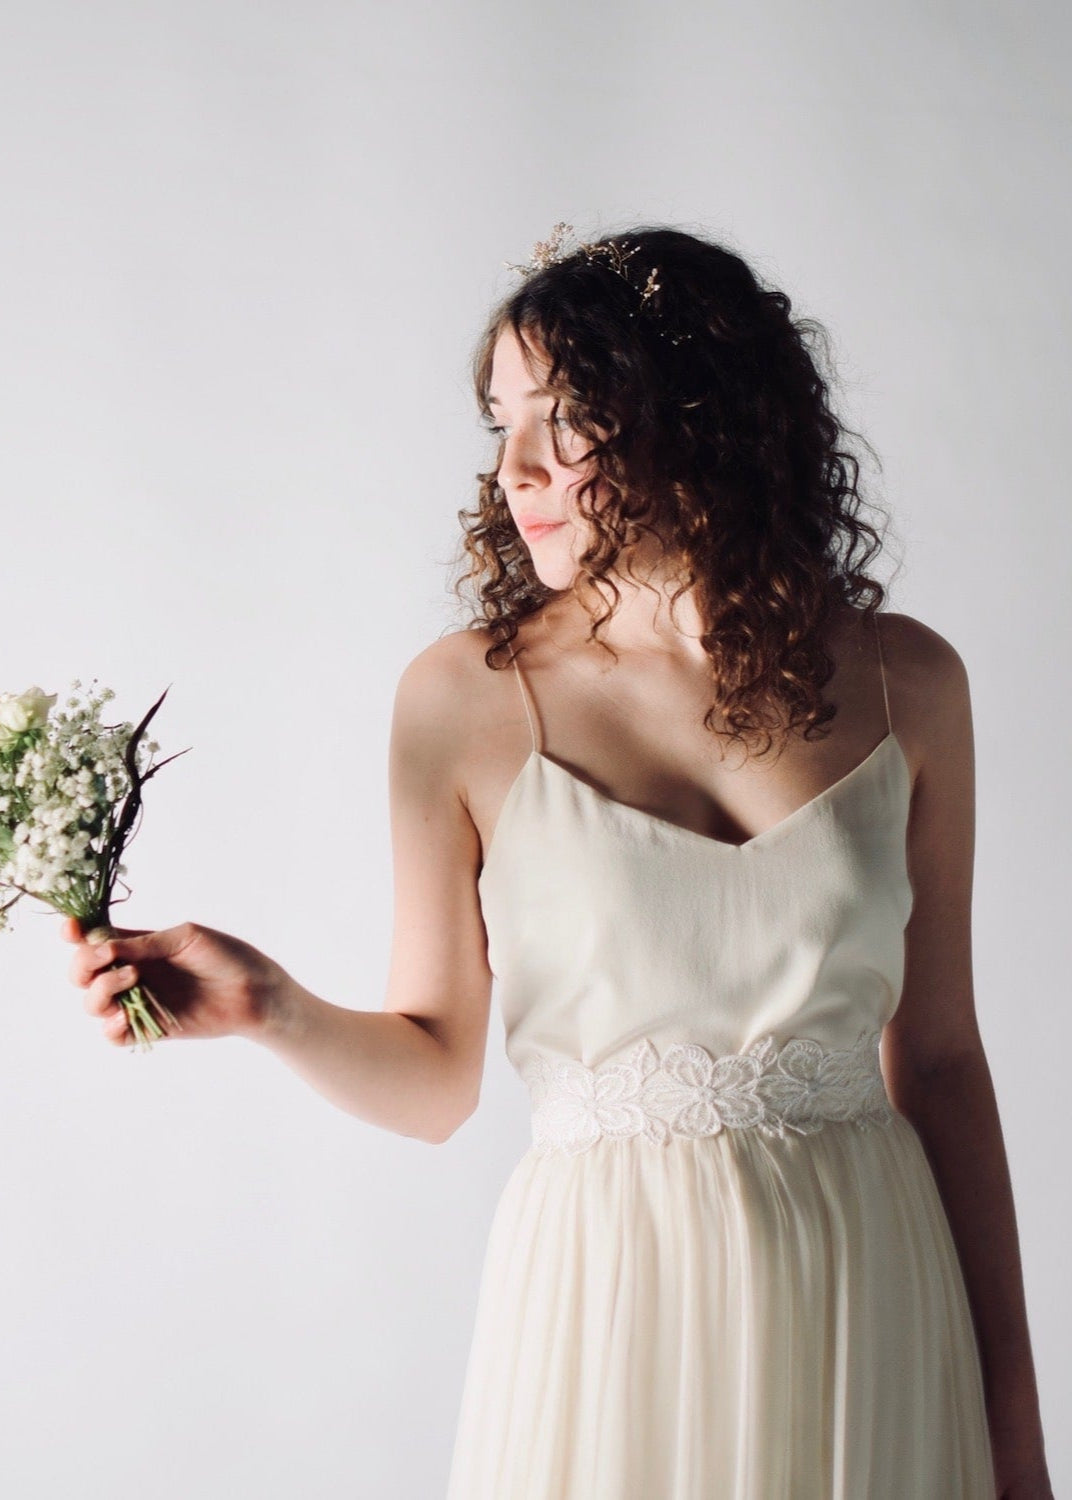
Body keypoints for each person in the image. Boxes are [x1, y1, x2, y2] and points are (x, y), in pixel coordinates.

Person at [63, 224, 1052, 1499]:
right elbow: (436, 1081)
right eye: (500, 424)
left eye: (565, 417)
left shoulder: (907, 680)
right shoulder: (463, 701)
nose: (514, 468)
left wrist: (1014, 1432)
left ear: (701, 415)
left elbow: (945, 1060)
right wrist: (269, 1007)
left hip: (872, 1297)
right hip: (610, 1304)